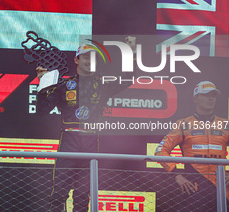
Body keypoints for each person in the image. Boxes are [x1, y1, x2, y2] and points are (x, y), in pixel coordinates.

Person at [36, 37, 136, 212]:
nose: (89, 61)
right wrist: (42, 84)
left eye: (93, 58)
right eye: (86, 57)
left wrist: (131, 54)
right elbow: (42, 110)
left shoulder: (103, 86)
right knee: (59, 193)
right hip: (68, 140)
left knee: (83, 196)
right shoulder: (64, 85)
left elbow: (128, 79)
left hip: (91, 141)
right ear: (77, 59)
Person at [155, 81, 229, 211]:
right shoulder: (183, 124)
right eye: (206, 95)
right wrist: (176, 175)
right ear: (196, 98)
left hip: (222, 188)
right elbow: (160, 150)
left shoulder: (225, 125)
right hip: (194, 187)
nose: (210, 98)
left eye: (213, 95)